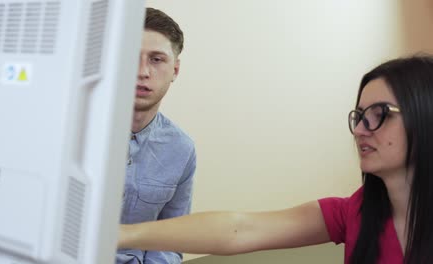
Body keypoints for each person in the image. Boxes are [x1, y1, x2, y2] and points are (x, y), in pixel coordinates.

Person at [117, 54, 433, 264]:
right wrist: (121, 235)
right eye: (359, 116)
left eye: (378, 114)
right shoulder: (355, 212)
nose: (360, 130)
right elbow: (239, 229)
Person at [116, 7, 196, 264]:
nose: (142, 72)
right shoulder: (70, 135)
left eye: (156, 59)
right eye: (131, 56)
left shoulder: (181, 149)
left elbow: (173, 238)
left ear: (175, 70)